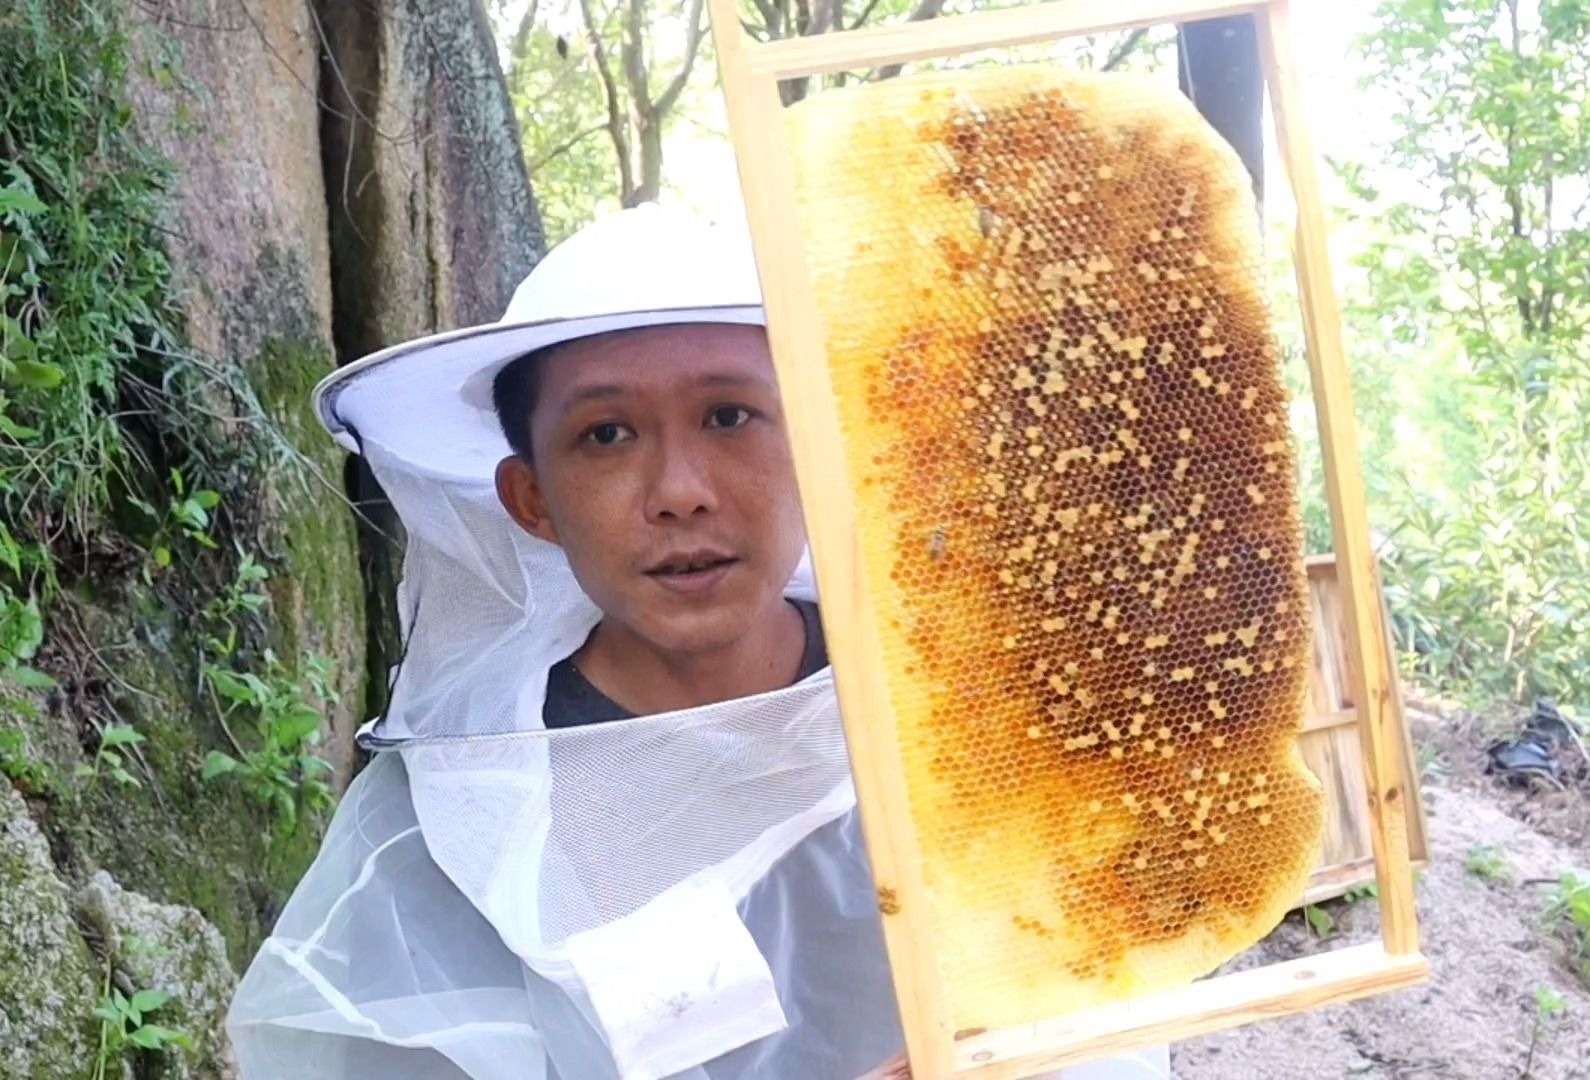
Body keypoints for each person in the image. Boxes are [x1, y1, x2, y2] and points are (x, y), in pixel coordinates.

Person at [225, 204, 1170, 1080]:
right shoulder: (463, 808)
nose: (680, 489)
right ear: (531, 500)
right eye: (605, 434)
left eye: (729, 416)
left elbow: (1095, 1006)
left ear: (818, 443)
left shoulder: (966, 717)